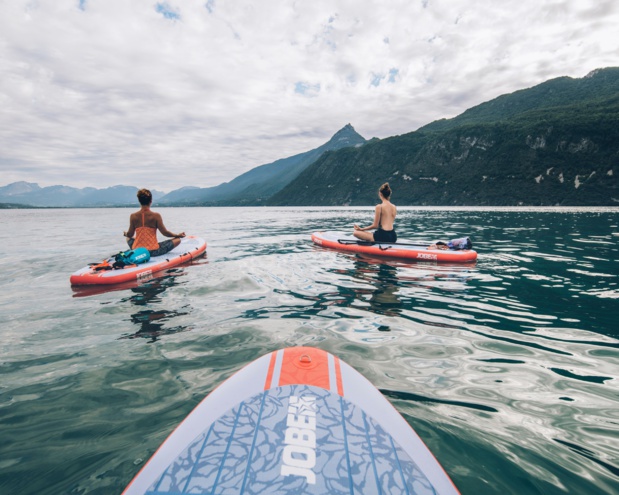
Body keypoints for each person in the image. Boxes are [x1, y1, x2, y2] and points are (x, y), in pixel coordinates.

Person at [124, 188, 185, 257]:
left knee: (128, 238)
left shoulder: (133, 216)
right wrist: (177, 235)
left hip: (137, 250)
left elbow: (129, 235)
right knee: (177, 240)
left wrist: (125, 233)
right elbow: (165, 233)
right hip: (153, 251)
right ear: (151, 201)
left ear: (139, 201)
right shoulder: (156, 216)